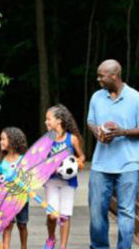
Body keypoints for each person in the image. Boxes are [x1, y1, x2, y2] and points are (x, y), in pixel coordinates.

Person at [87, 59, 139, 249]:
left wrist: (121, 132)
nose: (98, 80)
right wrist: (97, 131)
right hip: (100, 164)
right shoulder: (97, 97)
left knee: (126, 213)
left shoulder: (137, 98)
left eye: (101, 76)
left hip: (127, 164)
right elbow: (90, 121)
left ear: (114, 76)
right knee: (97, 212)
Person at [43, 104, 86, 249]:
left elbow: (82, 156)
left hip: (68, 183)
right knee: (52, 215)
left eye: (48, 119)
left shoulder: (72, 139)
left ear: (59, 120)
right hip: (51, 182)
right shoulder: (46, 140)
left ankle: (63, 246)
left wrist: (79, 163)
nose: (46, 122)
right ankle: (51, 238)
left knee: (65, 215)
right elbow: (40, 160)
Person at [0, 127, 29, 249]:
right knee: (7, 224)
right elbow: (0, 178)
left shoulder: (24, 160)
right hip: (5, 199)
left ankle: (24, 247)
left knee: (22, 225)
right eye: (1, 139)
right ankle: (6, 246)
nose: (1, 142)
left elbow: (27, 178)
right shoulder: (0, 160)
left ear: (13, 140)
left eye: (4, 139)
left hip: (21, 198)